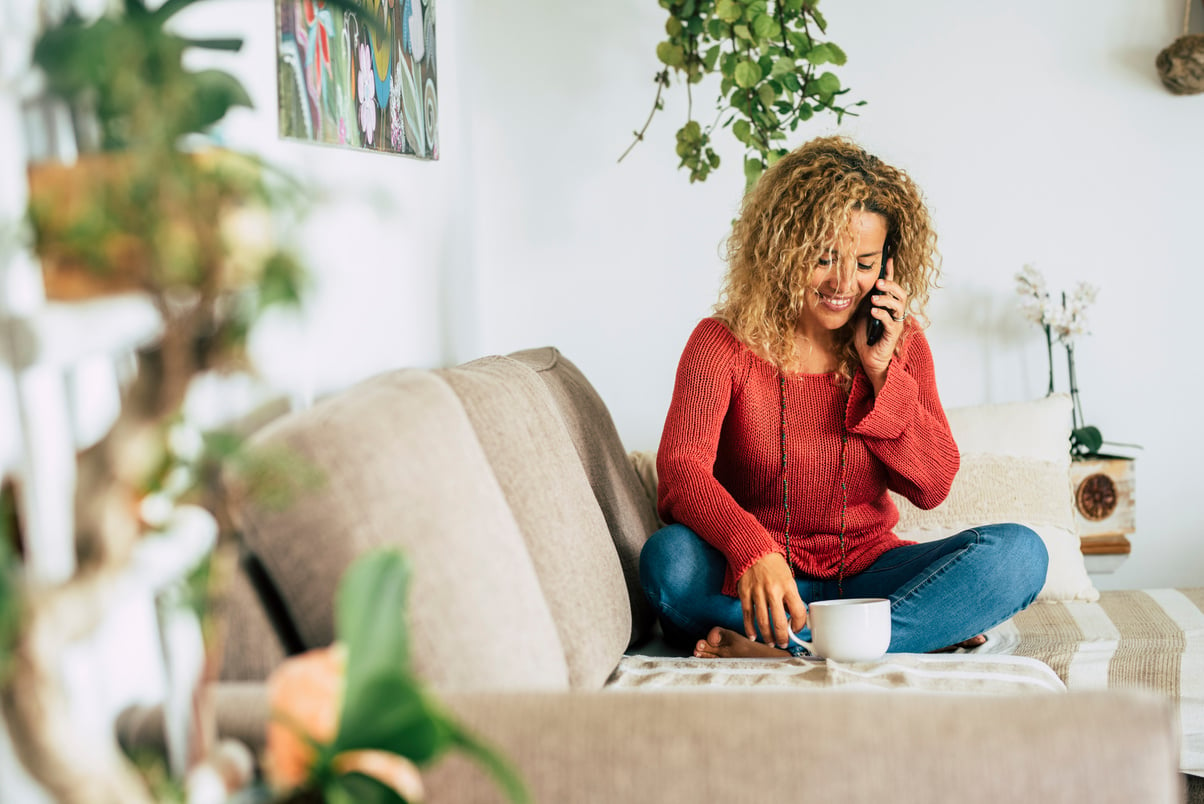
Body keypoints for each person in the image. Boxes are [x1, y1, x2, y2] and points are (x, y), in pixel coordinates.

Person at [639, 136, 1048, 659]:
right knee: (666, 560)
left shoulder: (901, 343)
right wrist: (753, 548)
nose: (843, 282)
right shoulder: (722, 342)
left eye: (864, 262)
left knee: (1019, 555)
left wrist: (880, 370)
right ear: (784, 250)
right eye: (824, 257)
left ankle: (795, 652)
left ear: (888, 266)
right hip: (762, 585)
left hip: (871, 578)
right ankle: (900, 637)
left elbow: (933, 483)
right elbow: (681, 475)